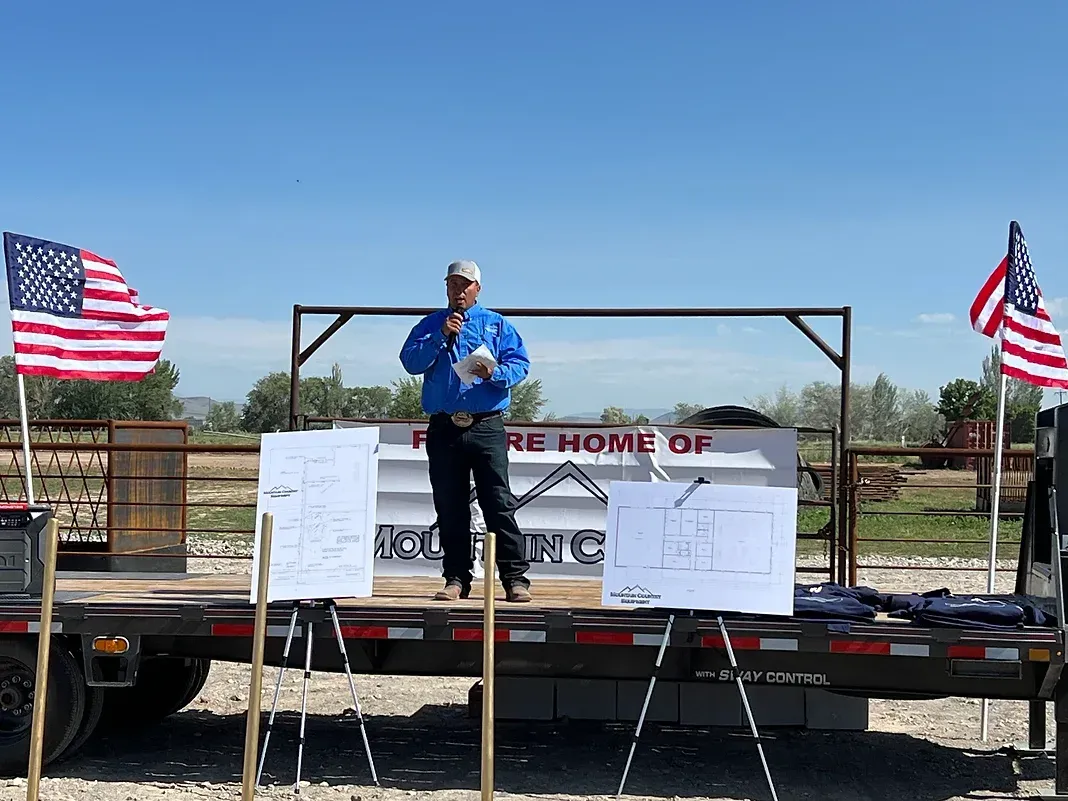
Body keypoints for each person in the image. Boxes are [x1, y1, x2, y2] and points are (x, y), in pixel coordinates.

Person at [399, 260, 532, 603]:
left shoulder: (497, 325)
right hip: (445, 426)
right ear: (446, 288)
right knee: (449, 505)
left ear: (477, 289)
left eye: (465, 285)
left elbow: (521, 364)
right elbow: (411, 362)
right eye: (453, 285)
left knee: (498, 503)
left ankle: (515, 579)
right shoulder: (431, 324)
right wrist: (441, 336)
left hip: (486, 424)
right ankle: (456, 578)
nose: (459, 291)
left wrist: (496, 374)